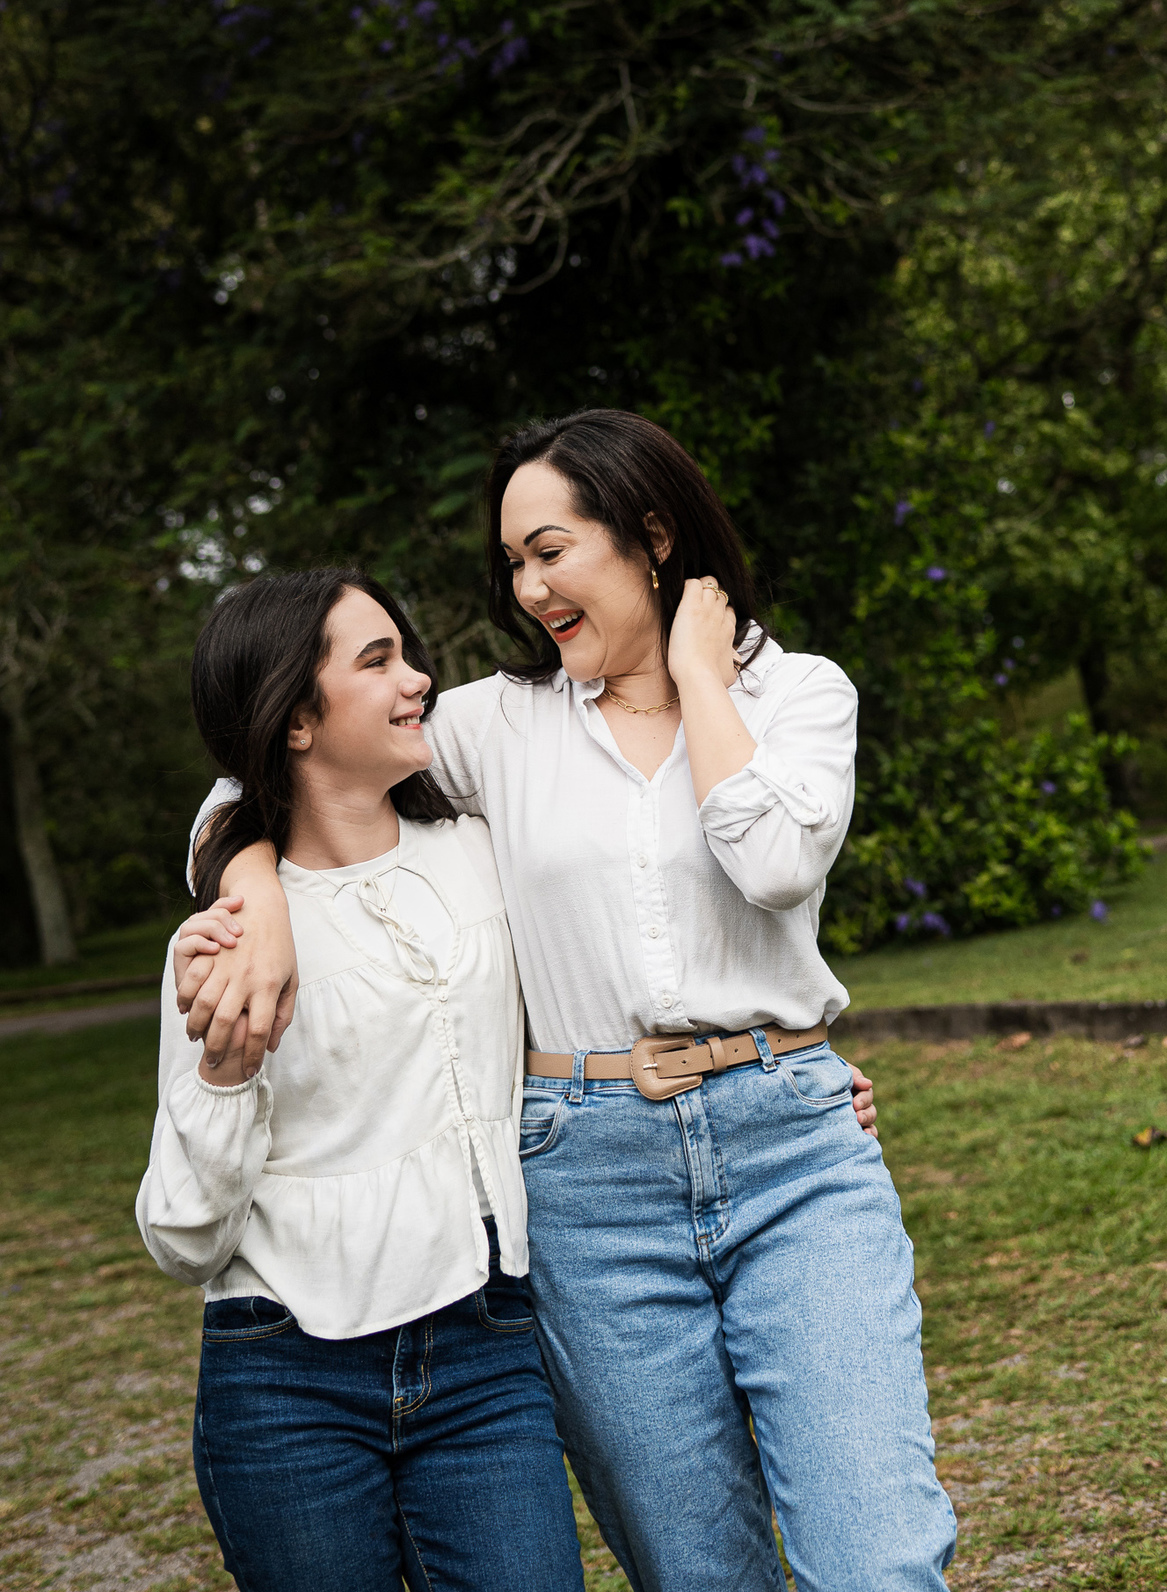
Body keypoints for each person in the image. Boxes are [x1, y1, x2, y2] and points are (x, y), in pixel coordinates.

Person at [180, 410, 956, 1592]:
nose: (527, 585)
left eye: (549, 550)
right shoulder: (499, 724)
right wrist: (258, 893)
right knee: (696, 1572)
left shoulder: (799, 696)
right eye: (513, 564)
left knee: (879, 1559)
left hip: (795, 1146)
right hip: (588, 1187)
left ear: (650, 535)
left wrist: (699, 672)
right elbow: (270, 760)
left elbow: (773, 863)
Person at [136, 568, 585, 1592]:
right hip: (286, 1376)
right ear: (295, 717)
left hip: (488, 1347)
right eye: (378, 660)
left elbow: (612, 945)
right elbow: (182, 1237)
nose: (419, 678)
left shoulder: (479, 852)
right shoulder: (227, 941)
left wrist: (766, 1055)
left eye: (406, 650)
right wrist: (223, 1073)